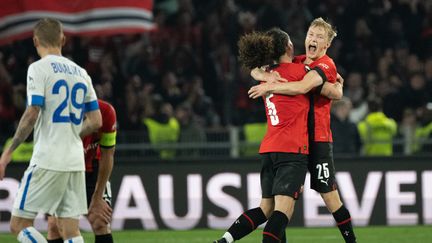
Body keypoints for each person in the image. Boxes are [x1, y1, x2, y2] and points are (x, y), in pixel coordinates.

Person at [214, 27, 341, 243]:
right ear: (289, 46)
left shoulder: (266, 75)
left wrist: (264, 78)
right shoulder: (300, 72)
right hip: (292, 150)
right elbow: (332, 92)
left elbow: (253, 70)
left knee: (265, 209)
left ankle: (224, 240)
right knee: (283, 212)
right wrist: (338, 85)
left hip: (269, 149)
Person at [248, 17, 357, 243]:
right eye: (311, 34)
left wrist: (270, 85)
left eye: (319, 37)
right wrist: (263, 74)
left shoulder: (326, 64)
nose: (313, 39)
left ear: (326, 45)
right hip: (294, 142)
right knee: (281, 201)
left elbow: (304, 86)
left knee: (330, 198)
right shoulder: (298, 62)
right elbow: (255, 70)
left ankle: (352, 241)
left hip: (318, 140)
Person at [0, 18, 102, 243]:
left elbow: (32, 112)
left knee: (18, 225)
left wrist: (8, 152)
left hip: (48, 158)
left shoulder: (38, 69)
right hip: (75, 159)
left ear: (35, 41)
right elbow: (96, 121)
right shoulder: (81, 73)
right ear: (62, 40)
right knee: (71, 231)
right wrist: (73, 133)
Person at [47, 99, 116, 243]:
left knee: (100, 221)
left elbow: (108, 154)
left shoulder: (107, 111)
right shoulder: (59, 114)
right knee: (54, 226)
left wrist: (97, 198)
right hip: (65, 169)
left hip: (93, 168)